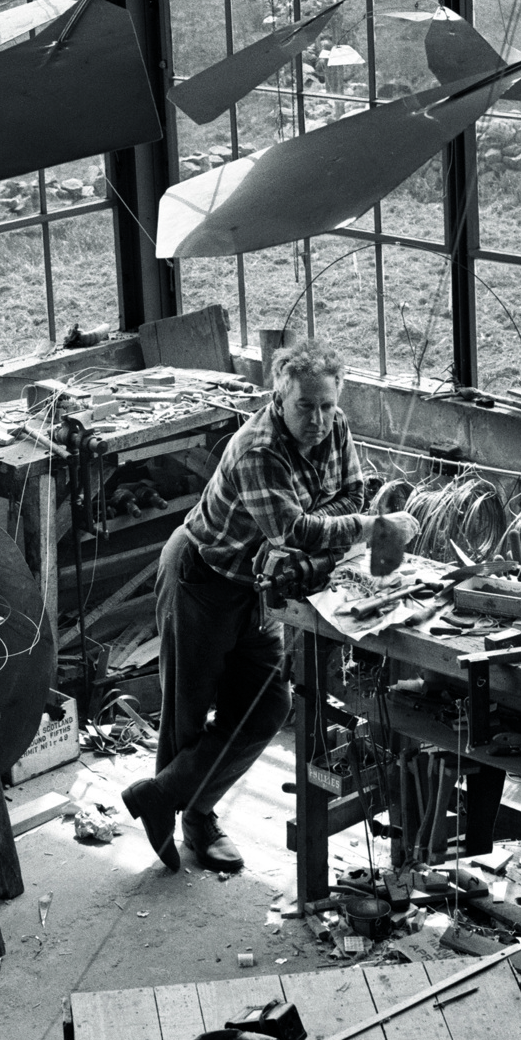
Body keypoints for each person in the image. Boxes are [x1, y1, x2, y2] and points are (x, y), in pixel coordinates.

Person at [121, 341, 416, 873]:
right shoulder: (258, 450)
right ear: (279, 398)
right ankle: (194, 822)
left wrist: (329, 523)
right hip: (202, 577)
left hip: (259, 586)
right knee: (187, 713)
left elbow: (353, 494)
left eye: (326, 405)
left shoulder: (334, 425)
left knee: (267, 707)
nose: (318, 420)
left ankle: (159, 796)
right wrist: (368, 527)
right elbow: (294, 531)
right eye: (305, 406)